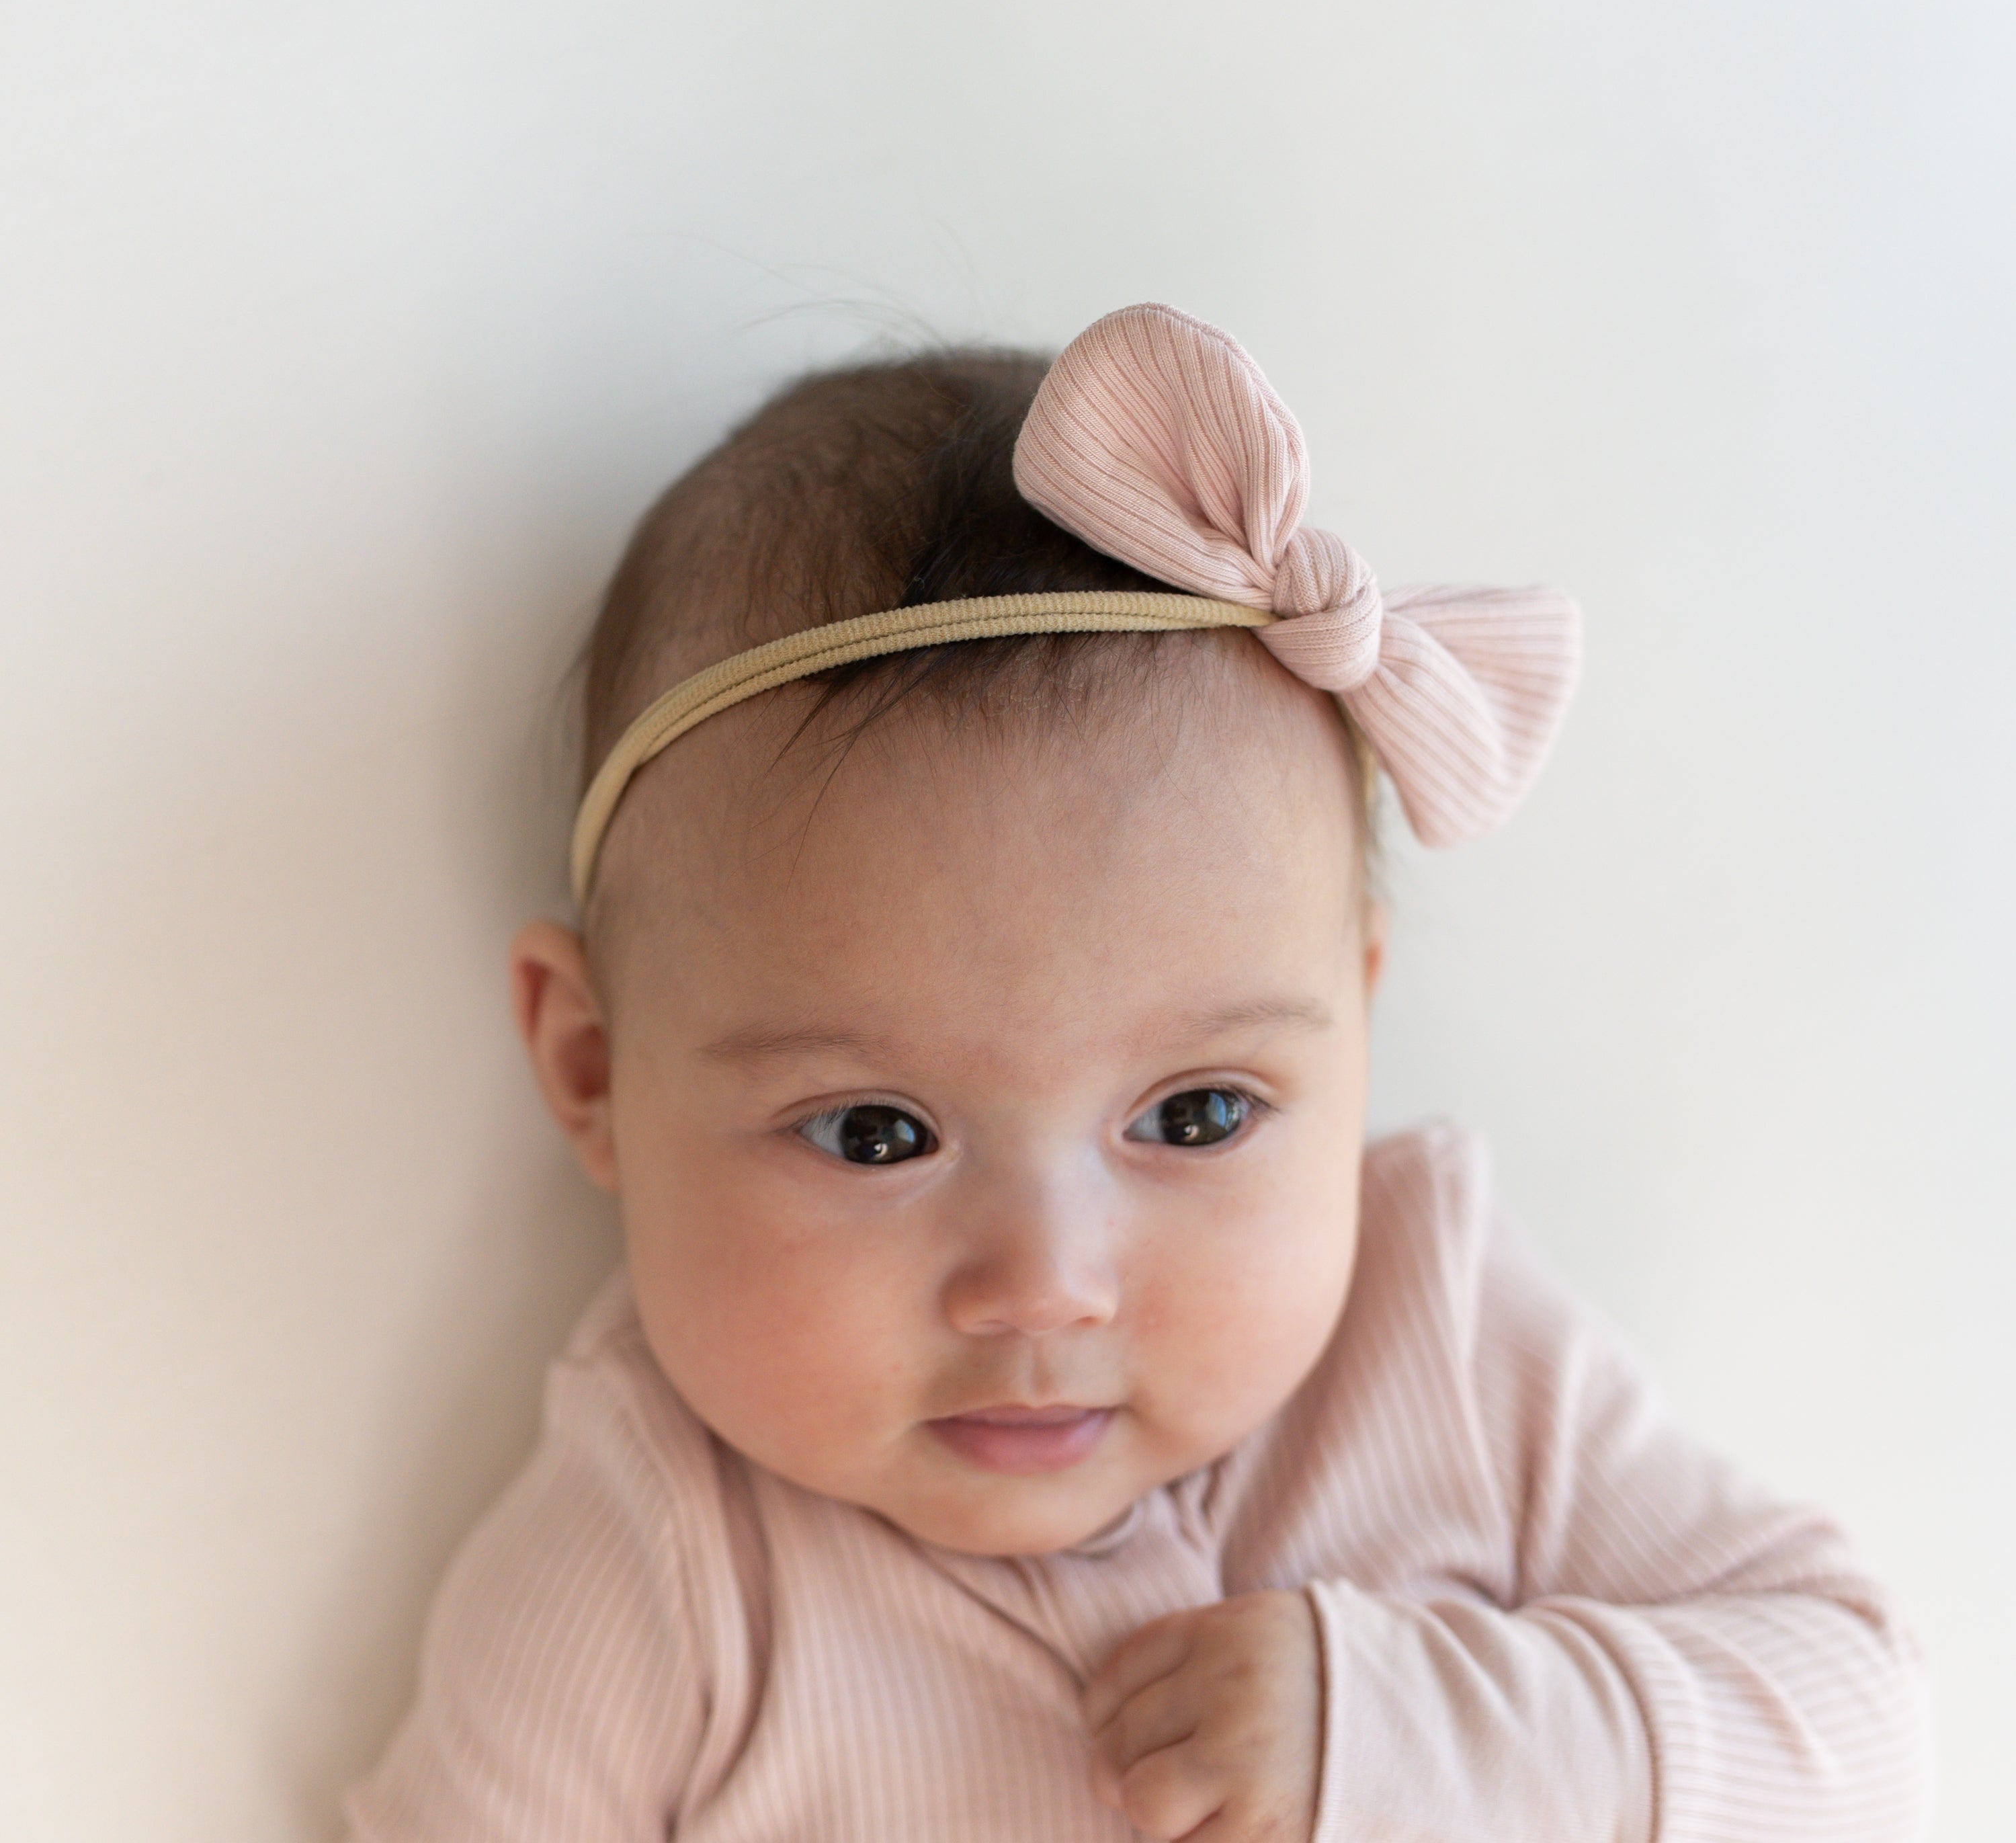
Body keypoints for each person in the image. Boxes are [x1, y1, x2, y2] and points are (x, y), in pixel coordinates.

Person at [341, 304, 1933, 1840]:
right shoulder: (659, 1558)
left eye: (1197, 1115)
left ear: (1356, 1024)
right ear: (594, 1069)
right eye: (878, 1133)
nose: (1045, 1288)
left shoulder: (1439, 1337)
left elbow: (1860, 1736)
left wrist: (1409, 1734)